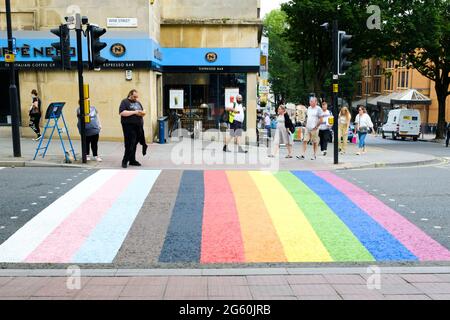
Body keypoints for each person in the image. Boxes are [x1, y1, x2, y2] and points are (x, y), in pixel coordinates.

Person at [119, 89, 147, 168]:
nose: (136, 98)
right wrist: (134, 112)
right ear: (130, 95)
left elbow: (141, 113)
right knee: (129, 144)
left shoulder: (138, 103)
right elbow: (122, 112)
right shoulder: (124, 102)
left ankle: (132, 160)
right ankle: (124, 161)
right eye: (134, 96)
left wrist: (142, 113)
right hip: (129, 127)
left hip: (138, 126)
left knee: (134, 144)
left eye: (137, 97)